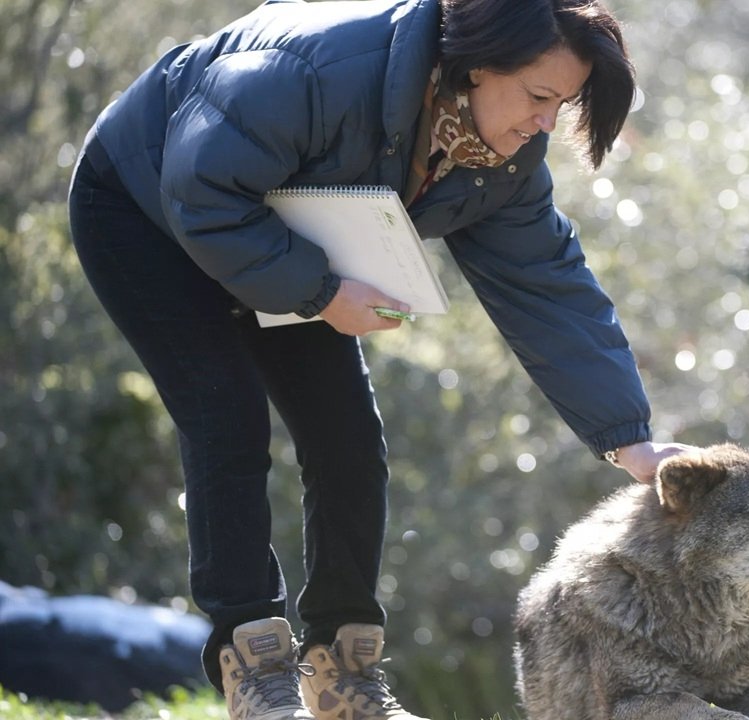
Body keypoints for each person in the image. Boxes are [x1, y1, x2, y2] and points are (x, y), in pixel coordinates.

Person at [67, 0, 694, 717]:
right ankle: (256, 674)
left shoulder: (502, 160)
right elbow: (201, 191)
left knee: (349, 439)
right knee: (226, 417)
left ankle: (344, 681)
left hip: (280, 232)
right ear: (480, 66)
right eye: (539, 97)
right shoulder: (318, 72)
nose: (546, 123)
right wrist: (324, 290)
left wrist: (630, 439)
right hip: (146, 203)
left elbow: (548, 287)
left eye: (564, 105)